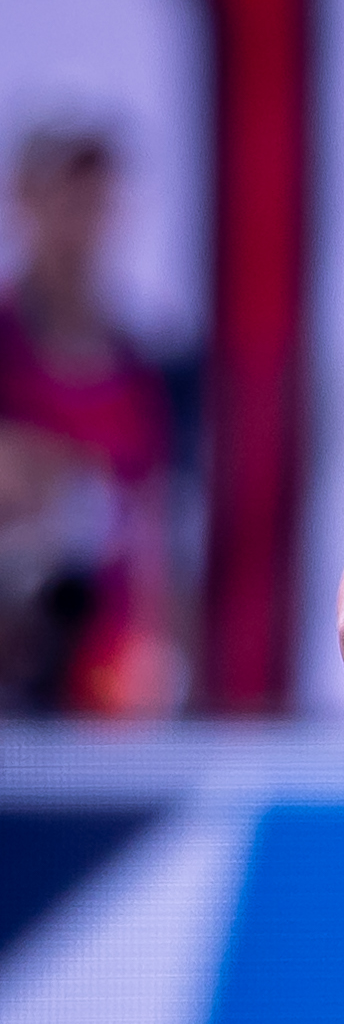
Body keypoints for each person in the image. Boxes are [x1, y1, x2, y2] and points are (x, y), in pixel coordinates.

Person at [0, 124, 185, 716]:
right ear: (23, 199)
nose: (82, 219)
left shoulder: (142, 366)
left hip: (105, 688)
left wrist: (162, 650)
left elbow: (153, 526)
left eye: (96, 198)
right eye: (66, 195)